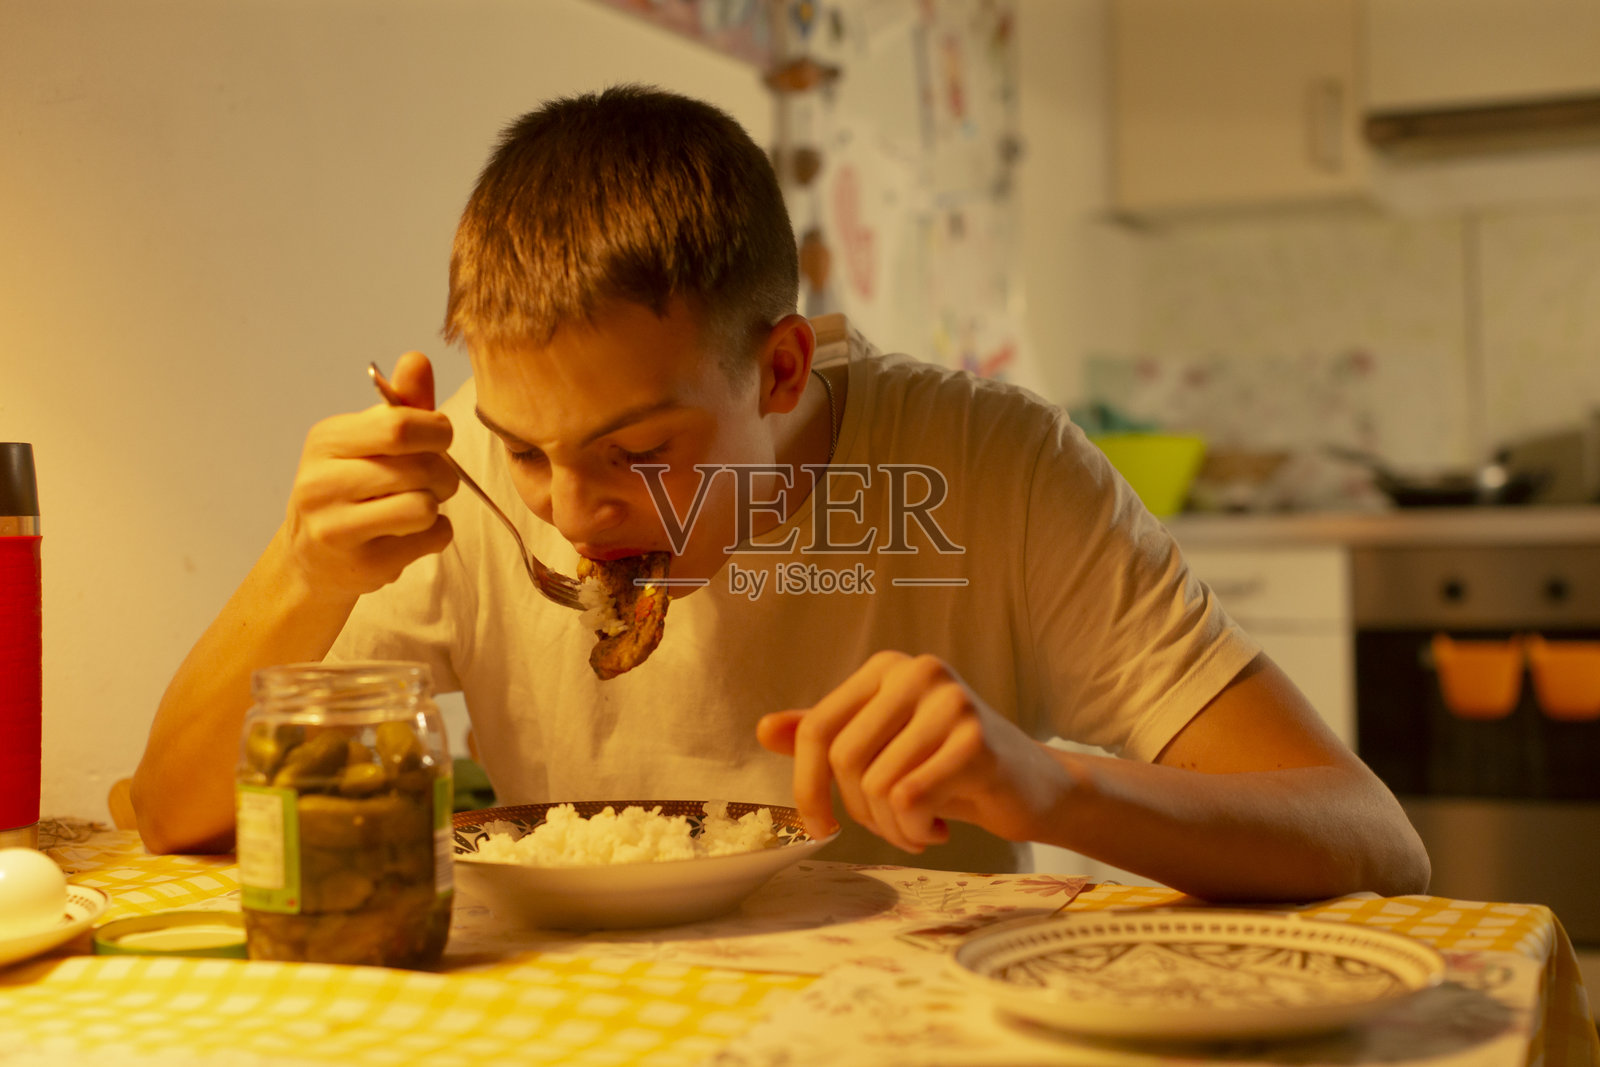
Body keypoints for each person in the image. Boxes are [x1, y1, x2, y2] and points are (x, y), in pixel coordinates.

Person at [134, 85, 1429, 901]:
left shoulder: (990, 464)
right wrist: (300, 570)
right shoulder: (463, 467)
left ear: (784, 364)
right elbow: (176, 813)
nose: (573, 516)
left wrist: (1052, 788)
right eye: (528, 452)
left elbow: (1366, 835)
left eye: (642, 455)